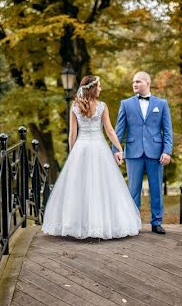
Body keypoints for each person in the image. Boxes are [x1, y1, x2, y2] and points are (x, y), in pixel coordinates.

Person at [42, 75, 141, 239]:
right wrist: (119, 147)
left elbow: (72, 133)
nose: (101, 89)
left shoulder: (75, 106)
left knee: (79, 187)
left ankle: (77, 225)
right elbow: (109, 131)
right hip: (99, 147)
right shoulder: (102, 106)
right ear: (94, 88)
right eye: (99, 86)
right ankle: (101, 225)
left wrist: (73, 153)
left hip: (81, 148)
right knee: (101, 186)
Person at [114, 71, 173, 235]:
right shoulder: (125, 104)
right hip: (133, 152)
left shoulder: (162, 104)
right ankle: (133, 223)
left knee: (156, 189)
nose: (134, 84)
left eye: (138, 81)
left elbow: (167, 131)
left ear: (147, 83)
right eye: (133, 82)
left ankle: (157, 222)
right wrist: (116, 150)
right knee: (133, 190)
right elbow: (119, 130)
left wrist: (167, 151)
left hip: (156, 152)